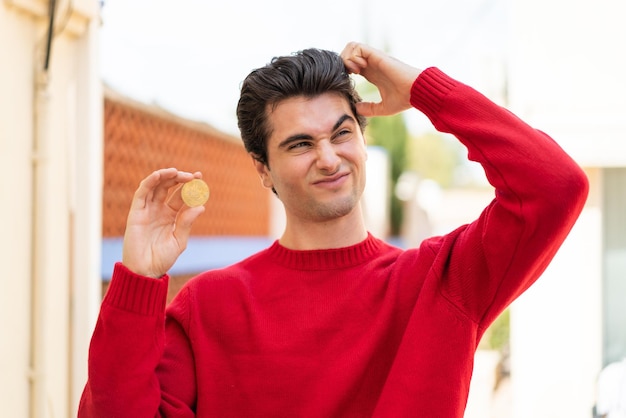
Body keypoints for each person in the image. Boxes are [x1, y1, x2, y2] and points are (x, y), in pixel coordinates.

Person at [78, 42, 588, 417]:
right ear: (262, 168)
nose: (329, 158)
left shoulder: (440, 283)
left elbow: (555, 185)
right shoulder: (208, 307)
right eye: (300, 144)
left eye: (342, 133)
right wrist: (139, 281)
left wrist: (423, 91)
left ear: (362, 140)